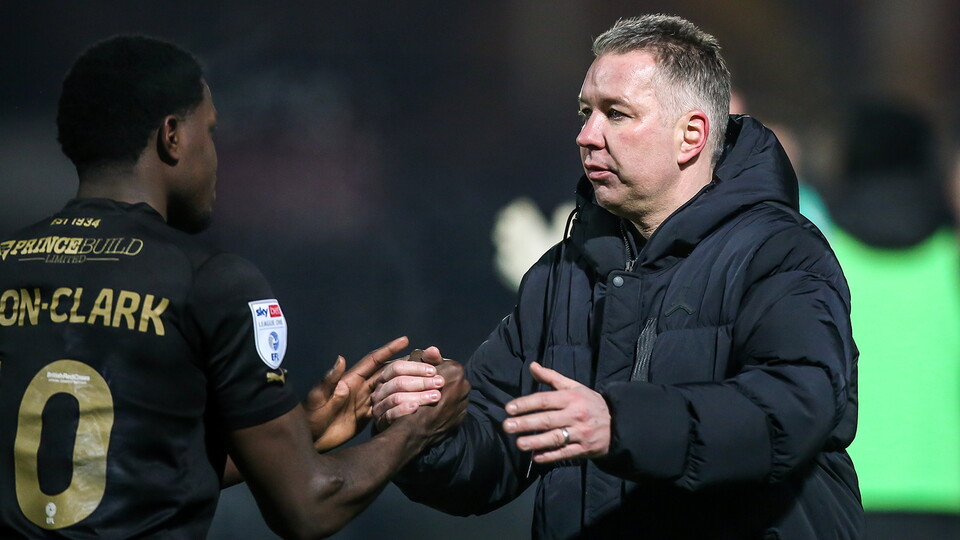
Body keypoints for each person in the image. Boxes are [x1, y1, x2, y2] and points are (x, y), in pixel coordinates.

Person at [373, 14, 862, 539]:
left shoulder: (780, 251)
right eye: (586, 112)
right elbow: (495, 444)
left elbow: (794, 408)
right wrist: (424, 429)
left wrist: (621, 424)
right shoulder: (563, 272)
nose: (586, 136)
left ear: (691, 135)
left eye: (616, 113)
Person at [0, 35, 469, 539]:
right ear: (172, 136)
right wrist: (417, 430)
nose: (215, 156)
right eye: (210, 131)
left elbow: (113, 465)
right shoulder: (212, 281)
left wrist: (288, 438)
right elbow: (308, 507)